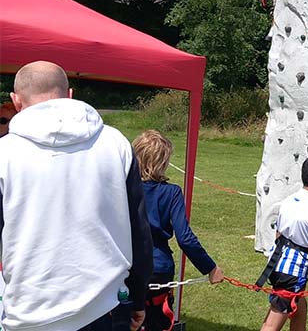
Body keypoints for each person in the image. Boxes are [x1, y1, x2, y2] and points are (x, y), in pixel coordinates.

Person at [0, 61, 152, 331]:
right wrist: (139, 298)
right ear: (69, 95)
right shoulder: (116, 143)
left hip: (29, 312)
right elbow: (139, 231)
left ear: (16, 101)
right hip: (105, 307)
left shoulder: (4, 153)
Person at [132, 130, 224, 331]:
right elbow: (185, 238)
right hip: (158, 267)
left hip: (127, 264)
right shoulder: (171, 192)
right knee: (157, 321)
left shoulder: (124, 187)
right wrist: (210, 267)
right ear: (162, 161)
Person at [260, 156, 308, 331]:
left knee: (299, 306)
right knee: (272, 322)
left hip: (275, 263)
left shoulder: (287, 202)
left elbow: (278, 235)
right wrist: (304, 268)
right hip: (292, 273)